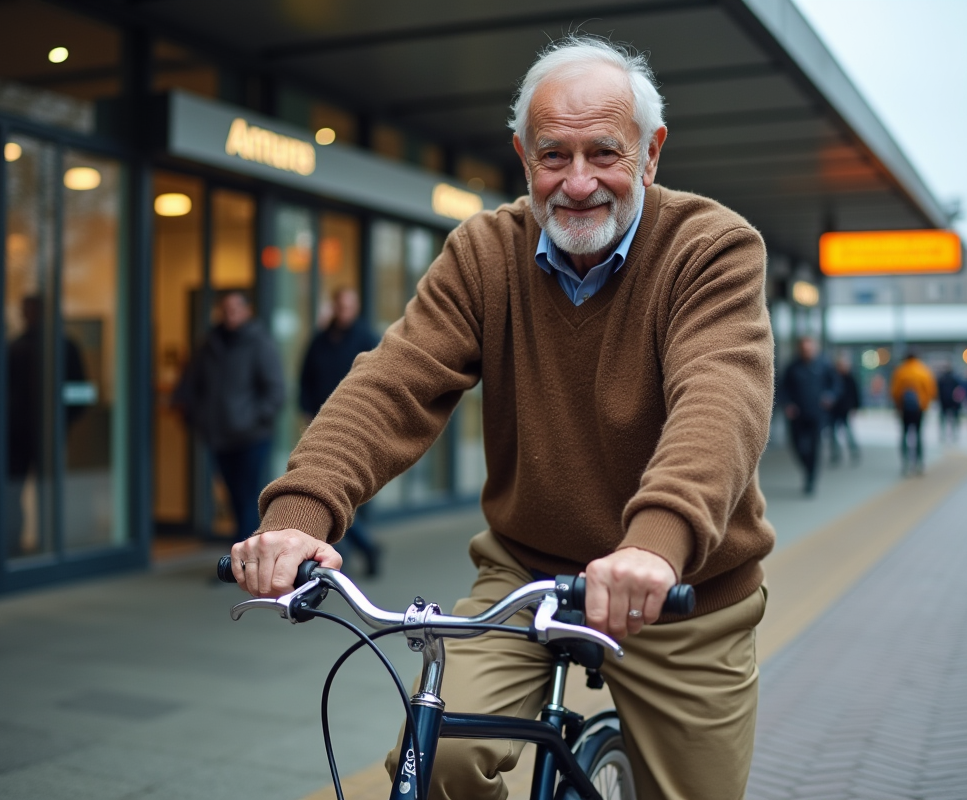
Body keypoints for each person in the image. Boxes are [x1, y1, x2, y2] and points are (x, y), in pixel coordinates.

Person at [231, 35, 775, 800]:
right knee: (438, 759)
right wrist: (299, 514)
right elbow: (394, 382)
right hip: (531, 576)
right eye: (553, 155)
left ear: (651, 153)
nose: (577, 182)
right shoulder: (486, 251)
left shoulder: (710, 248)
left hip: (684, 593)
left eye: (604, 153)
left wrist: (657, 545)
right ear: (522, 156)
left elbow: (720, 399)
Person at [174, 291, 284, 541]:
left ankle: (244, 559)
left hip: (252, 437)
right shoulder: (210, 344)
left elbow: (276, 392)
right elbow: (190, 385)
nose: (229, 314)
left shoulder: (260, 343)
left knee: (249, 498)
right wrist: (198, 419)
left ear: (247, 311)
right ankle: (244, 556)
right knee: (233, 497)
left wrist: (251, 419)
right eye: (225, 309)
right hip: (220, 438)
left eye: (235, 308)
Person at [299, 287, 384, 574]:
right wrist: (306, 414)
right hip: (320, 426)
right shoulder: (320, 340)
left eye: (349, 306)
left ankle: (355, 550)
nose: (344, 311)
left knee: (341, 494)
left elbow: (378, 382)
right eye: (340, 306)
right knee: (329, 491)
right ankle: (358, 549)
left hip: (356, 429)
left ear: (356, 308)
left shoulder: (366, 339)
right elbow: (305, 378)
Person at [6, 295, 87, 556]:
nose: (25, 315)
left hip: (45, 434)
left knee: (45, 491)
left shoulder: (63, 347)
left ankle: (47, 545)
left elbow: (79, 391)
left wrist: (63, 421)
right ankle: (15, 545)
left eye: (29, 310)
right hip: (18, 435)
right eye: (24, 310)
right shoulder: (16, 347)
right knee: (14, 492)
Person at [780, 336, 836, 493]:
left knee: (814, 447)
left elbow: (835, 384)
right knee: (797, 446)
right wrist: (788, 404)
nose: (807, 352)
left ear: (815, 348)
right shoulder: (792, 367)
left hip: (816, 414)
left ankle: (811, 477)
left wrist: (830, 396)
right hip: (797, 415)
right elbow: (784, 388)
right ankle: (807, 467)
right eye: (804, 349)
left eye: (809, 348)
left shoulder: (824, 365)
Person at [889, 350, 936, 476]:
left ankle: (905, 463)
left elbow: (895, 391)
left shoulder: (901, 371)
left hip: (904, 408)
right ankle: (919, 463)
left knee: (904, 434)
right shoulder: (923, 370)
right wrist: (924, 404)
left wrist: (898, 405)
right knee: (919, 435)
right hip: (919, 409)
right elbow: (931, 390)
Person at [828, 354, 861, 465]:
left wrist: (855, 407)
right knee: (833, 433)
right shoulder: (833, 377)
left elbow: (856, 394)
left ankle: (854, 452)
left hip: (845, 409)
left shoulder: (850, 378)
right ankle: (835, 454)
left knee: (848, 432)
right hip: (834, 410)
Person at [935, 360, 963, 442]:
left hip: (944, 401)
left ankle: (943, 434)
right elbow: (960, 389)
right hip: (954, 401)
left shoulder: (941, 378)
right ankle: (954, 434)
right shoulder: (956, 378)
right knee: (954, 418)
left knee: (943, 418)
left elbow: (937, 390)